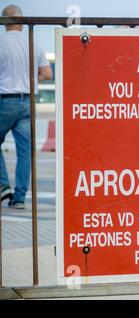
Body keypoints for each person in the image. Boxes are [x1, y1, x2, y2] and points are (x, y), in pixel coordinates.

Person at [0, 4, 53, 209]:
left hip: (5, 100)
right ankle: (20, 198)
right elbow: (47, 74)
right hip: (27, 102)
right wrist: (30, 79)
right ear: (21, 22)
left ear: (5, 21)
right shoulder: (33, 43)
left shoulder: (2, 42)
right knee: (25, 152)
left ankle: (4, 186)